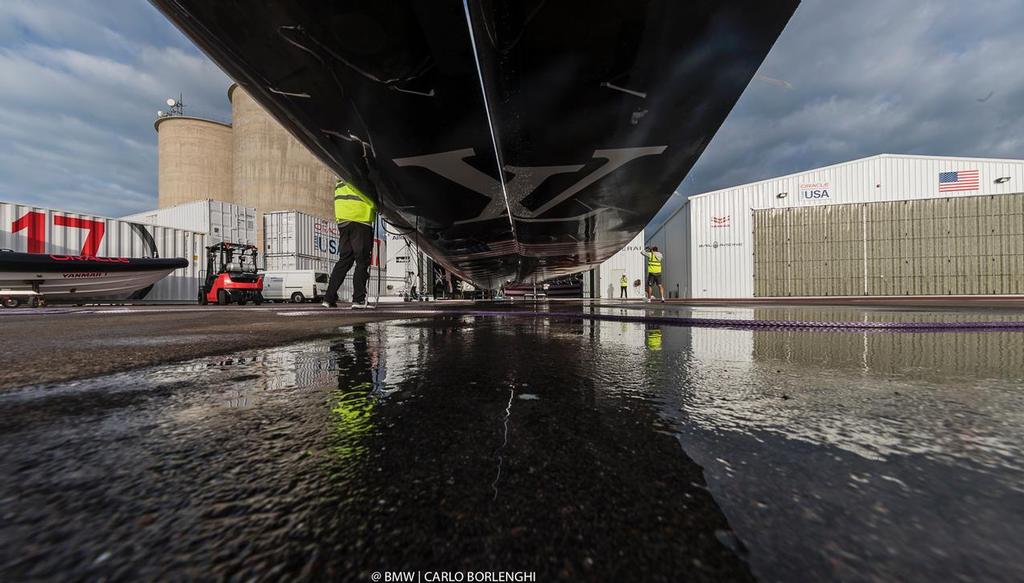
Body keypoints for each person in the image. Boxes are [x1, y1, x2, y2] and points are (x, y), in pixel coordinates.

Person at [322, 178, 376, 309]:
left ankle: (328, 299)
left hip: (343, 221)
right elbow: (368, 194)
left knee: (344, 260)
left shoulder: (340, 176)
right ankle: (358, 300)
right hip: (360, 219)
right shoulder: (358, 173)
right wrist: (376, 206)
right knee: (362, 261)